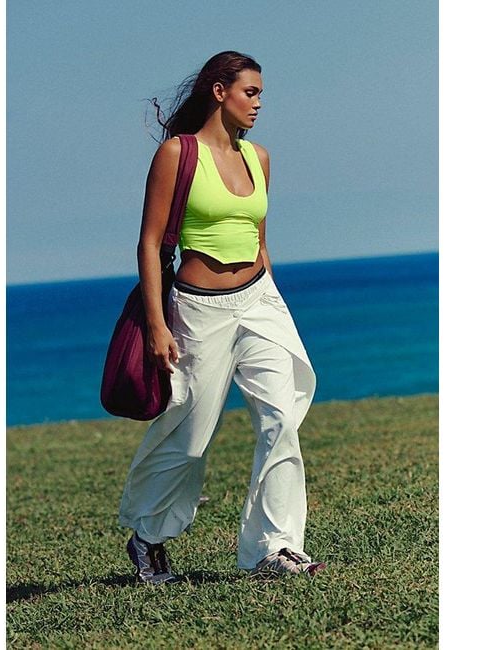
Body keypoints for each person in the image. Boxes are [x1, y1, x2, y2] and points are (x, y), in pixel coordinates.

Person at [119, 51, 326, 584]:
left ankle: (274, 548)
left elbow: (259, 239)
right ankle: (148, 535)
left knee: (282, 417)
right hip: (198, 308)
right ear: (219, 91)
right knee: (189, 435)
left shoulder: (260, 158)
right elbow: (149, 243)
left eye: (260, 94)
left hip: (259, 300)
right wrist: (157, 324)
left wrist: (273, 301)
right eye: (250, 92)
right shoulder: (177, 154)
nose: (258, 104)